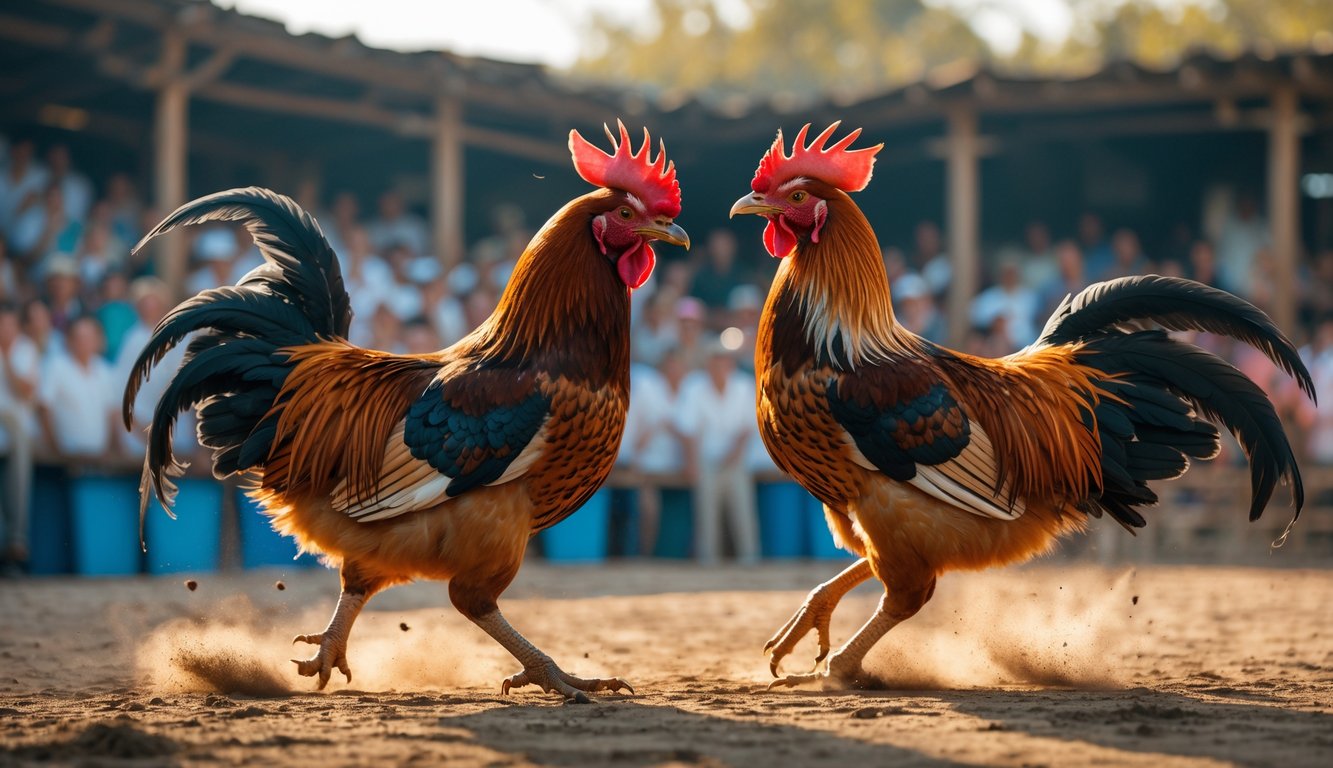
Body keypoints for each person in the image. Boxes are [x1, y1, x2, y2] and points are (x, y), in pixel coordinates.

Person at [676, 342, 759, 564]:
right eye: (715, 361)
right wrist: (692, 463)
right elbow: (689, 431)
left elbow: (747, 429)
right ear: (708, 364)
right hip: (706, 461)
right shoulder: (694, 387)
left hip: (736, 461)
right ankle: (707, 562)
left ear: (730, 364)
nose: (719, 366)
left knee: (743, 512)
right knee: (706, 515)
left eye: (723, 361)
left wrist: (734, 453)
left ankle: (749, 561)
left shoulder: (743, 385)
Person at [37, 316, 121, 460]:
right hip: (64, 459)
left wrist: (111, 451)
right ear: (69, 340)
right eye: (80, 337)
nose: (85, 342)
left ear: (98, 340)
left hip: (99, 459)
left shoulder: (105, 370)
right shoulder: (56, 366)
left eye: (89, 337)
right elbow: (44, 408)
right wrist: (55, 450)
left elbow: (112, 414)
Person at [0, 302, 38, 573]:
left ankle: (16, 541)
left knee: (17, 483)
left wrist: (5, 355)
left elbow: (24, 391)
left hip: (16, 427)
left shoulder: (25, 348)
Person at [970, 258, 1038, 351]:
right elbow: (977, 322)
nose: (1009, 276)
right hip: (994, 347)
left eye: (1012, 273)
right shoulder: (987, 298)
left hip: (1025, 347)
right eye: (1006, 273)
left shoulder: (1030, 297)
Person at [367, 190, 428, 257]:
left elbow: (421, 251)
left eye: (393, 203)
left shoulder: (415, 225)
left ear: (401, 204)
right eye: (386, 203)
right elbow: (370, 252)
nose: (389, 207)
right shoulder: (372, 228)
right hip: (380, 266)